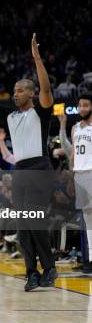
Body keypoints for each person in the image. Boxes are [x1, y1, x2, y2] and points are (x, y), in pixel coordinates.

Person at [0, 33, 57, 292]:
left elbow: (47, 89)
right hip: (20, 170)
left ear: (31, 92)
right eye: (14, 91)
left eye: (20, 90)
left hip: (40, 167)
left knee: (34, 219)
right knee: (22, 224)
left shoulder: (41, 110)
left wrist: (37, 59)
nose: (15, 94)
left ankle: (49, 268)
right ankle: (32, 272)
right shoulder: (9, 114)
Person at [71, 93, 92, 273]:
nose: (82, 108)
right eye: (80, 105)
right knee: (87, 220)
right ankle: (90, 259)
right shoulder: (75, 127)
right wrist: (72, 174)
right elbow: (73, 155)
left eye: (85, 105)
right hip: (80, 175)